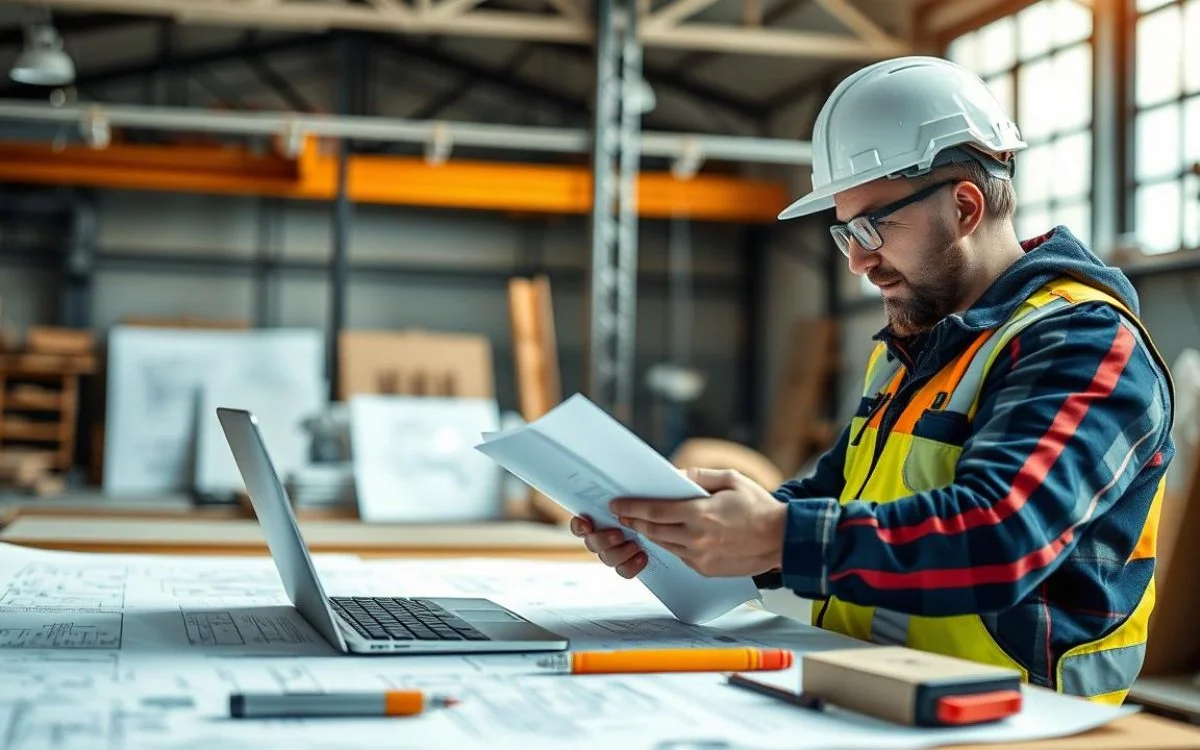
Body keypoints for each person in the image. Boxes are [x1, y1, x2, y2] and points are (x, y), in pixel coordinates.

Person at [570, 55, 1176, 706]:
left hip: (1016, 719)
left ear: (965, 207)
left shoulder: (1083, 344)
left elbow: (1000, 536)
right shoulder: (913, 348)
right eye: (843, 232)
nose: (858, 260)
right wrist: (698, 532)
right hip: (871, 691)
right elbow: (839, 495)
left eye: (871, 226)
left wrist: (774, 533)